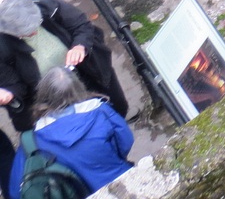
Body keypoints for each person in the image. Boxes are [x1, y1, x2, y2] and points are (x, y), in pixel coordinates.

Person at [0, 0, 127, 133]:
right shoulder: (2, 46)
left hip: (87, 70)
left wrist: (80, 45)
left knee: (117, 105)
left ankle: (119, 126)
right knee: (83, 127)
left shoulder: (47, 6)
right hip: (54, 93)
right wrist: (11, 93)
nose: (34, 32)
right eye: (27, 32)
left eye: (36, 25)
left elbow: (81, 25)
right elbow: (13, 82)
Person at [8, 68, 132, 198]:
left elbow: (16, 190)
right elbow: (126, 142)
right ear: (79, 87)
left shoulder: (31, 143)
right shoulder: (102, 111)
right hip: (120, 183)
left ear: (43, 97)